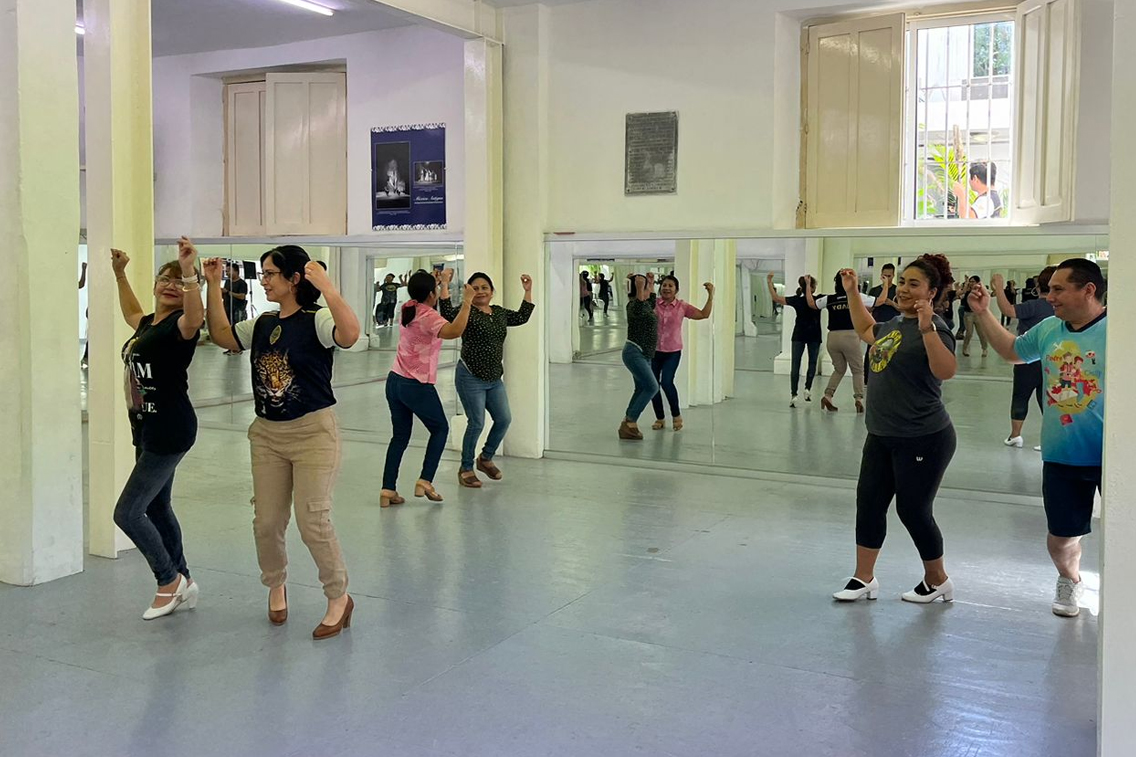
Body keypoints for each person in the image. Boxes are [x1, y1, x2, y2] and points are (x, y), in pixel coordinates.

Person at [203, 246, 361, 640]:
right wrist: (210, 285)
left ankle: (339, 596)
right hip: (268, 435)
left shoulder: (317, 319)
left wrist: (326, 287)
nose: (265, 280)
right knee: (267, 522)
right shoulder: (262, 323)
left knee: (313, 521)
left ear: (294, 279)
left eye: (272, 273)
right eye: (263, 273)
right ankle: (276, 583)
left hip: (313, 433)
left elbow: (351, 334)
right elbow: (221, 335)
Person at [967, 259, 1107, 617]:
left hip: (1115, 456)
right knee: (1062, 538)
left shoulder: (1119, 329)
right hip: (1063, 456)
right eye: (1050, 289)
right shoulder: (1049, 329)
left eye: (1059, 289)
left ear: (1087, 290)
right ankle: (1070, 579)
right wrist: (984, 313)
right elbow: (1013, 352)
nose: (1050, 296)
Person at [832, 255, 959, 605]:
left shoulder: (936, 326)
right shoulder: (892, 324)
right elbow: (866, 331)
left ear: (932, 292)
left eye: (913, 284)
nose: (904, 288)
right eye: (902, 282)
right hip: (882, 434)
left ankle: (938, 580)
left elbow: (946, 370)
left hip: (923, 437)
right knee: (869, 504)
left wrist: (927, 327)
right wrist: (854, 291)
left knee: (913, 510)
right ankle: (864, 578)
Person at [113, 237, 204, 620]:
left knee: (128, 513)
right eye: (164, 279)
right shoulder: (151, 324)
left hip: (170, 429)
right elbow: (132, 312)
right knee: (158, 504)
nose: (170, 286)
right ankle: (184, 577)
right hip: (146, 427)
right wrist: (120, 275)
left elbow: (197, 318)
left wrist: (189, 273)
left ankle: (168, 581)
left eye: (177, 283)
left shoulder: (181, 328)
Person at [381, 270, 473, 504]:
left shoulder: (407, 307)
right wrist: (467, 303)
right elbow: (454, 331)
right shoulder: (428, 317)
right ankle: (425, 479)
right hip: (416, 385)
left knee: (399, 436)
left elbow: (430, 307)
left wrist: (440, 284)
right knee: (440, 429)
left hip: (394, 381)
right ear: (431, 293)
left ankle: (387, 489)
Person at [441, 272, 534, 488]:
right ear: (469, 291)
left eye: (485, 287)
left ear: (492, 292)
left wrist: (527, 291)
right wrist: (445, 284)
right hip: (470, 375)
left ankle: (485, 458)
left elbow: (522, 317)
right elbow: (446, 313)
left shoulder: (499, 312)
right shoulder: (467, 312)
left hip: (494, 377)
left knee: (503, 419)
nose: (481, 291)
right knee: (477, 423)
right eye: (475, 288)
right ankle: (465, 468)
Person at [994, 268, 1056, 449]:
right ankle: (1049, 438)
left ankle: (1015, 436)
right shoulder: (1060, 309)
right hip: (1050, 359)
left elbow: (1008, 310)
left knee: (1021, 395)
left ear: (1038, 286)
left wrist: (999, 288)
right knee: (1048, 399)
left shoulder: (1034, 305)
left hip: (1026, 360)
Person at [807, 274, 885, 412]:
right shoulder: (856, 296)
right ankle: (859, 399)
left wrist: (808, 286)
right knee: (858, 370)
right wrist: (886, 284)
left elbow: (812, 304)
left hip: (832, 338)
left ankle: (828, 395)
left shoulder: (829, 298)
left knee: (839, 368)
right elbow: (880, 301)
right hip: (850, 335)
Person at [649, 275, 714, 431]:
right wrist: (643, 284)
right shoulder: (654, 304)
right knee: (652, 385)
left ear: (676, 290)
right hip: (654, 351)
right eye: (664, 285)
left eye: (670, 286)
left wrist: (710, 295)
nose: (666, 288)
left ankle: (676, 415)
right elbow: (638, 302)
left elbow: (703, 314)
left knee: (666, 382)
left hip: (672, 351)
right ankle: (660, 418)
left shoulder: (682, 307)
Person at [767, 272, 822, 407]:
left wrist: (769, 282)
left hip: (799, 335)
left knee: (796, 364)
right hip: (814, 335)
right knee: (812, 363)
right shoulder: (818, 300)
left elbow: (775, 298)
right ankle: (807, 388)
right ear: (813, 287)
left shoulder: (797, 300)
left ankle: (794, 394)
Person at [618, 273, 658, 440]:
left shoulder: (646, 304)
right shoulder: (634, 305)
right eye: (644, 289)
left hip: (645, 354)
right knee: (652, 387)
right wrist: (640, 286)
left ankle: (628, 423)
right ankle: (631, 420)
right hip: (635, 352)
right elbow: (640, 303)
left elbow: (651, 300)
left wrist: (650, 283)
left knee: (641, 388)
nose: (649, 291)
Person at [865, 264, 899, 385]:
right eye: (885, 275)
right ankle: (868, 379)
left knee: (891, 353)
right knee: (872, 351)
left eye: (889, 276)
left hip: (892, 325)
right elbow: (867, 309)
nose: (887, 278)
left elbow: (904, 309)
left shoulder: (897, 291)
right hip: (876, 324)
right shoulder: (874, 290)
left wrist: (892, 304)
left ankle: (891, 379)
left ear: (893, 275)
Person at [958, 275, 989, 357]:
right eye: (970, 281)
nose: (971, 283)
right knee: (969, 332)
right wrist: (966, 284)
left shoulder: (980, 291)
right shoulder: (967, 290)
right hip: (968, 314)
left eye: (973, 281)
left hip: (978, 314)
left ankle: (984, 349)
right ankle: (965, 349)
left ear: (977, 282)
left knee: (981, 333)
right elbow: (961, 296)